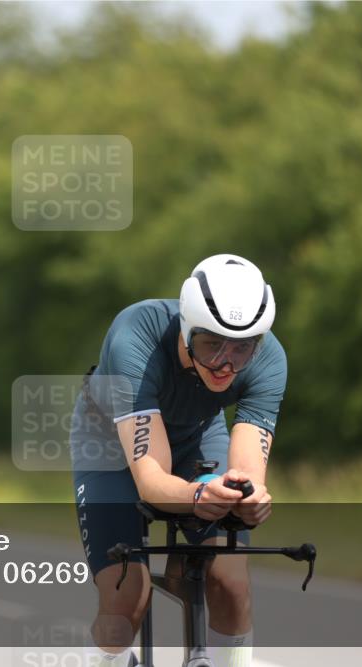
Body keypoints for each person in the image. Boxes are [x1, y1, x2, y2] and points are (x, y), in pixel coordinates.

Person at [71, 254, 286, 667]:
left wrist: (249, 499)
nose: (227, 364)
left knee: (230, 581)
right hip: (109, 444)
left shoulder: (270, 358)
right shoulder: (136, 335)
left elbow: (247, 472)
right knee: (126, 595)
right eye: (211, 345)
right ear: (186, 330)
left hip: (196, 434)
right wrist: (198, 494)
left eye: (242, 349)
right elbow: (151, 477)